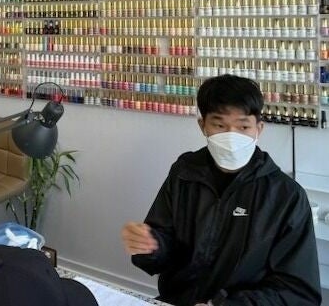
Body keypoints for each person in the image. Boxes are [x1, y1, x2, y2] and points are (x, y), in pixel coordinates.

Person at [121, 74, 321, 306]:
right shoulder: (184, 173)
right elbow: (164, 242)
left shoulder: (285, 196)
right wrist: (149, 246)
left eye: (243, 126)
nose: (232, 136)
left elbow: (299, 293)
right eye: (219, 125)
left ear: (259, 129)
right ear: (203, 126)